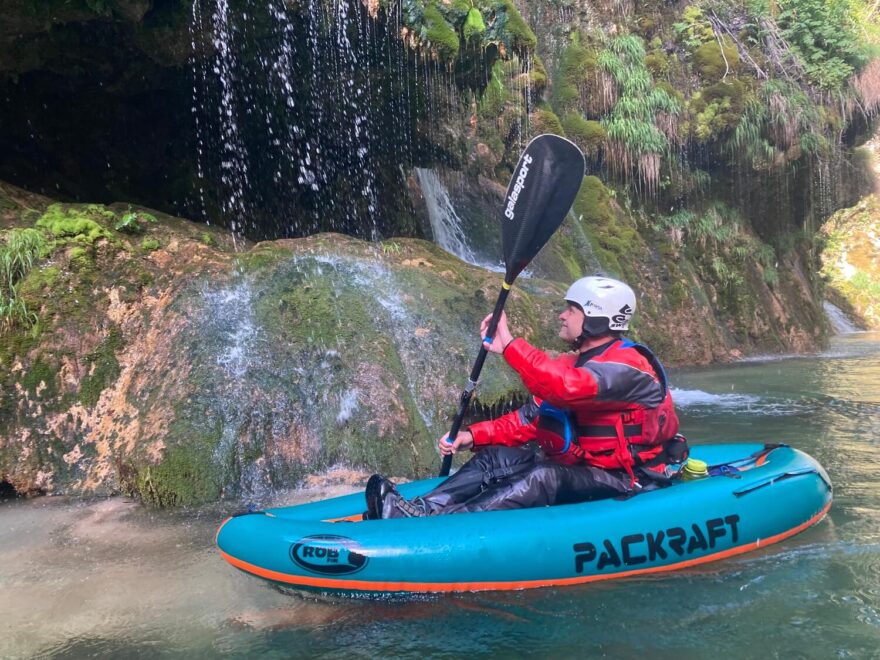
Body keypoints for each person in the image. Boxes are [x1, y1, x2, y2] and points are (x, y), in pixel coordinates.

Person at [364, 275, 683, 520]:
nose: (562, 316)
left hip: (628, 479)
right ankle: (420, 511)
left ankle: (447, 526)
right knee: (495, 458)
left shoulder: (628, 366)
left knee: (544, 476)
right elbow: (529, 419)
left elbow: (564, 387)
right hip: (586, 466)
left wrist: (510, 346)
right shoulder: (575, 363)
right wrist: (471, 436)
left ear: (594, 319)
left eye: (571, 310)